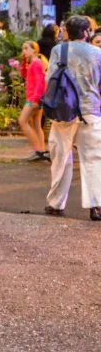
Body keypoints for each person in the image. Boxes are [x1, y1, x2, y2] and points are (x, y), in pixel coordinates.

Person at [43, 15, 101, 219]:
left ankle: (56, 203)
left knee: (61, 158)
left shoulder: (59, 51)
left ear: (67, 30)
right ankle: (95, 206)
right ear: (86, 32)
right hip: (91, 110)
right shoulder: (98, 53)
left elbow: (50, 78)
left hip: (64, 111)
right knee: (93, 159)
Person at [16, 40, 48, 162]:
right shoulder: (33, 63)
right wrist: (24, 62)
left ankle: (36, 150)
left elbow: (41, 83)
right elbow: (24, 74)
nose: (24, 51)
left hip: (33, 99)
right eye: (23, 49)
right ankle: (41, 150)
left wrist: (35, 99)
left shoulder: (37, 63)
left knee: (22, 120)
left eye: (26, 48)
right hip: (35, 98)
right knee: (36, 125)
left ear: (34, 50)